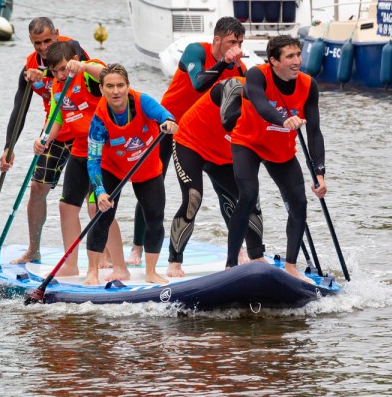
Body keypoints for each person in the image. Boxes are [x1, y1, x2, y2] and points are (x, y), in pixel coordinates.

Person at [130, 17, 247, 265]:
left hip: (203, 136)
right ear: (217, 40)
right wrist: (224, 63)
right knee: (153, 185)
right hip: (168, 126)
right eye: (231, 42)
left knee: (225, 190)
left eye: (239, 42)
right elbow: (198, 84)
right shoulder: (197, 50)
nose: (236, 47)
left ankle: (238, 250)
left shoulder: (238, 67)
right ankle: (137, 248)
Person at [228, 34, 327, 283]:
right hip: (248, 143)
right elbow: (262, 106)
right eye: (290, 56)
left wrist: (319, 173)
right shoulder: (257, 75)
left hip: (280, 151)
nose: (297, 61)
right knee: (248, 195)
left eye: (298, 55)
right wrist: (284, 120)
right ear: (273, 60)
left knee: (300, 204)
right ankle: (231, 265)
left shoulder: (308, 85)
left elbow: (314, 131)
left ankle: (291, 266)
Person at [0, 17, 89, 264]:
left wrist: (46, 72)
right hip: (56, 131)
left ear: (57, 34)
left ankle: (104, 255)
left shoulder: (72, 49)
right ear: (31, 41)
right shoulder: (29, 67)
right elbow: (20, 107)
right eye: (37, 43)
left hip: (88, 130)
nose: (43, 47)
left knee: (94, 193)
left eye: (48, 40)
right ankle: (33, 249)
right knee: (37, 188)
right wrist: (9, 146)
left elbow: (70, 65)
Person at [32, 41, 120, 277]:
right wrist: (44, 139)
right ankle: (70, 265)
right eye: (55, 72)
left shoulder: (88, 74)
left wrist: (81, 66)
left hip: (103, 151)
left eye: (63, 69)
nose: (60, 75)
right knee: (66, 206)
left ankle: (117, 264)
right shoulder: (57, 87)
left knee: (97, 206)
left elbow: (107, 75)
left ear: (72, 60)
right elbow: (56, 120)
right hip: (80, 150)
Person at [84, 64, 177, 286]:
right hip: (112, 167)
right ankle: (92, 273)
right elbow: (93, 160)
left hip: (145, 167)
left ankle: (151, 271)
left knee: (154, 217)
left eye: (120, 85)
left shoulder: (142, 101)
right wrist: (100, 192)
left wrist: (169, 122)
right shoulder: (98, 121)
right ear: (102, 89)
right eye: (110, 86)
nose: (116, 91)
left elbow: (165, 114)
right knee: (102, 215)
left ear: (127, 86)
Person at [168, 77, 265, 276]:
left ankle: (257, 256)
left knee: (250, 198)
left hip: (224, 154)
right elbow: (227, 119)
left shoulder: (275, 104)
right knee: (193, 198)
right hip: (191, 144)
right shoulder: (235, 86)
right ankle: (174, 261)